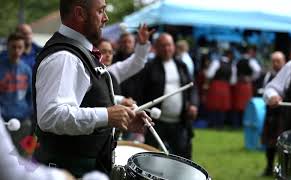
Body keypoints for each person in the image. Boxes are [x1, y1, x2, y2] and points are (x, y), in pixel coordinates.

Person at [32, 0, 152, 178]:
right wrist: (107, 115)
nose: (106, 18)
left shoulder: (78, 52)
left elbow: (85, 102)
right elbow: (51, 116)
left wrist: (119, 117)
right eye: (101, 11)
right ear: (80, 14)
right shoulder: (65, 57)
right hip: (67, 170)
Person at [138, 33, 198, 159]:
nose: (166, 49)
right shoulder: (149, 67)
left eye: (169, 45)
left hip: (180, 122)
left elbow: (192, 89)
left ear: (174, 47)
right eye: (163, 46)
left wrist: (193, 104)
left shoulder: (182, 66)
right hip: (155, 123)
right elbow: (140, 92)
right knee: (151, 157)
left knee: (182, 159)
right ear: (156, 48)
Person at [0, 32, 33, 155]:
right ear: (7, 46)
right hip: (3, 121)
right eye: (13, 47)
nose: (16, 50)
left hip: (23, 121)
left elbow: (31, 95)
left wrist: (28, 113)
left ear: (24, 48)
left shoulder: (27, 70)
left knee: (24, 157)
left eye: (20, 47)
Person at [260, 51, 286, 176]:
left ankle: (282, 170)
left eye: (278, 61)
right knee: (269, 144)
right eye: (274, 61)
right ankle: (268, 168)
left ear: (284, 62)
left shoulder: (288, 76)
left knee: (282, 144)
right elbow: (265, 92)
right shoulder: (268, 75)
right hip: (271, 114)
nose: (275, 64)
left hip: (283, 115)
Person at [205, 50, 235, 128]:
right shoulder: (232, 65)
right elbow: (233, 81)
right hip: (226, 86)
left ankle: (212, 123)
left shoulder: (216, 62)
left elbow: (209, 74)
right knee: (223, 107)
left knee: (213, 105)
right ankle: (220, 124)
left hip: (215, 84)